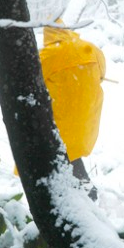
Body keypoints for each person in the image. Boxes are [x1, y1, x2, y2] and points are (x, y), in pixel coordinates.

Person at [40, 20, 106, 201]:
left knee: (62, 153)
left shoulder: (46, 55)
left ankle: (82, 195)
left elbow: (35, 84)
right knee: (70, 154)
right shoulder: (90, 49)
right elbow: (102, 74)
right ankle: (82, 193)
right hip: (87, 113)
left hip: (61, 115)